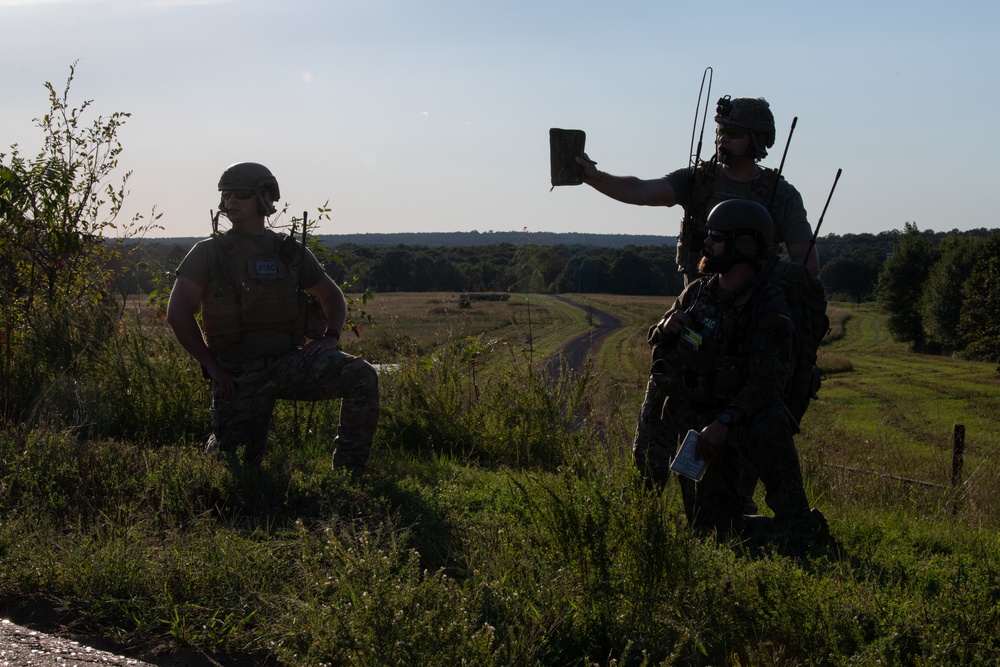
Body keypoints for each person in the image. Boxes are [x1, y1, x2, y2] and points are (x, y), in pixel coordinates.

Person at [166, 162, 379, 474]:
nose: (230, 202)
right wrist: (212, 366)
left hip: (288, 365)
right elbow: (178, 313)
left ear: (264, 199)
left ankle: (349, 474)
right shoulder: (209, 253)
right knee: (236, 467)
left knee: (361, 375)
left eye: (240, 194)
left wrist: (330, 337)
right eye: (226, 196)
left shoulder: (288, 252)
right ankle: (219, 441)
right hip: (238, 376)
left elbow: (332, 296)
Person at [640, 199, 824, 548]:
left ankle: (799, 527)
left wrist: (725, 422)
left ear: (745, 245)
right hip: (699, 424)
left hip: (743, 423)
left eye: (717, 237)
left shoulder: (768, 304)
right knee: (711, 532)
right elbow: (657, 340)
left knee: (771, 423)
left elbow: (768, 381)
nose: (707, 243)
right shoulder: (697, 293)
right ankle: (760, 532)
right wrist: (666, 327)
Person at [576, 95, 820, 284]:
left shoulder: (782, 195)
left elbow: (807, 263)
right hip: (697, 305)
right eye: (720, 131)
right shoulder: (697, 181)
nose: (723, 139)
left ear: (758, 140)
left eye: (733, 133)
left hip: (755, 312)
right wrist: (595, 177)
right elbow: (642, 191)